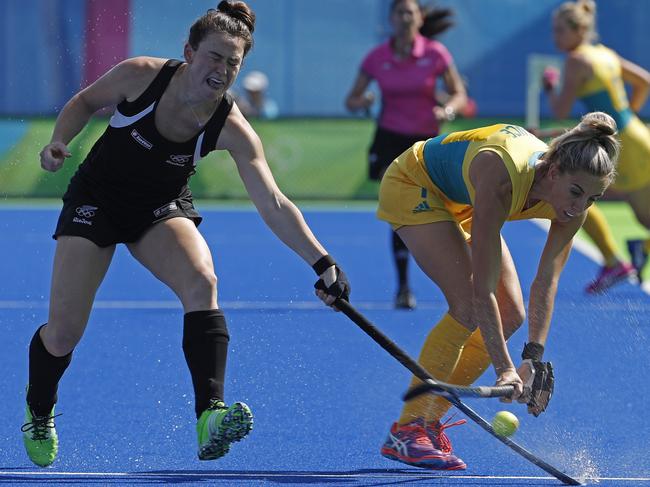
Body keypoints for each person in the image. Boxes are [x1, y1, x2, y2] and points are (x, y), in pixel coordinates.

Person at [21, 1, 350, 468]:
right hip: (96, 199)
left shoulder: (231, 126)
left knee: (203, 282)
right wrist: (60, 140)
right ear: (189, 52)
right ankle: (39, 410)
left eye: (233, 63)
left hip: (159, 206)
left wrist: (322, 262)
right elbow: (85, 102)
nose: (222, 70)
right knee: (63, 335)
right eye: (214, 57)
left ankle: (209, 415)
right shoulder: (142, 75)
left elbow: (273, 202)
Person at [376, 113, 619, 469]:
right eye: (576, 193)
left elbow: (546, 280)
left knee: (512, 316)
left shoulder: (573, 206)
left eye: (592, 199)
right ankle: (409, 428)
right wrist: (505, 368)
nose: (579, 207)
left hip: (466, 200)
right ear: (553, 173)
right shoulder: (502, 175)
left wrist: (532, 357)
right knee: (465, 304)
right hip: (416, 183)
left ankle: (427, 421)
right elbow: (481, 291)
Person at [345, 0, 467, 309]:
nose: (403, 18)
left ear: (419, 18)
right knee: (400, 211)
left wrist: (449, 108)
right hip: (390, 140)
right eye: (398, 12)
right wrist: (364, 100)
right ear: (391, 19)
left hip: (426, 142)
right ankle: (403, 287)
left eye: (409, 12)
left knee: (440, 210)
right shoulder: (377, 57)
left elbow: (459, 93)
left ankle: (462, 283)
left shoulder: (435, 53)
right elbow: (352, 99)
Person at [543, 0, 650, 289]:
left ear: (579, 30)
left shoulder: (576, 60)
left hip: (625, 148)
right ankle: (616, 260)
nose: (556, 38)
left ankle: (618, 260)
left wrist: (550, 87)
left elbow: (561, 110)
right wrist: (628, 120)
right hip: (636, 137)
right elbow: (644, 82)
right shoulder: (603, 53)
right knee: (583, 195)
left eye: (560, 31)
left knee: (583, 196)